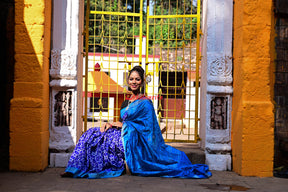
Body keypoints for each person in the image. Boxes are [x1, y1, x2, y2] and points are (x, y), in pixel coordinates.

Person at [60, 66, 212, 179]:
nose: (134, 82)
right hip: (121, 132)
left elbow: (148, 129)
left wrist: (123, 126)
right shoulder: (126, 102)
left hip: (133, 140)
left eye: (137, 79)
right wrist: (110, 124)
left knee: (102, 141)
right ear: (128, 80)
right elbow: (121, 121)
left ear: (141, 81)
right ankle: (74, 169)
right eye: (131, 79)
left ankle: (88, 169)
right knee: (91, 133)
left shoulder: (145, 103)